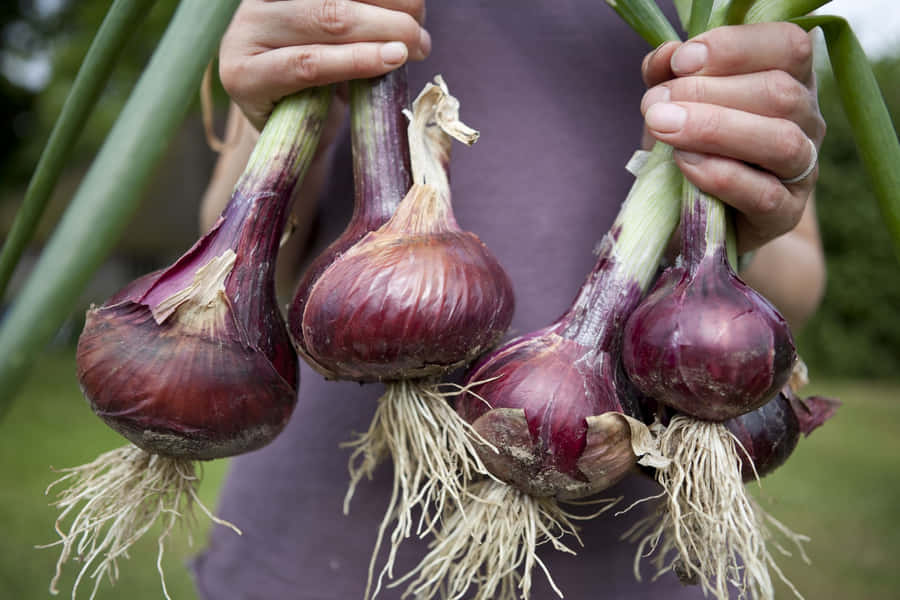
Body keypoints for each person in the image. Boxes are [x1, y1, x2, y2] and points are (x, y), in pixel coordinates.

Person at [191, 2, 827, 598]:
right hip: (309, 542)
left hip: (645, 552)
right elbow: (236, 280)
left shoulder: (726, 10)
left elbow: (796, 285)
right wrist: (283, 95)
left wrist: (737, 205)